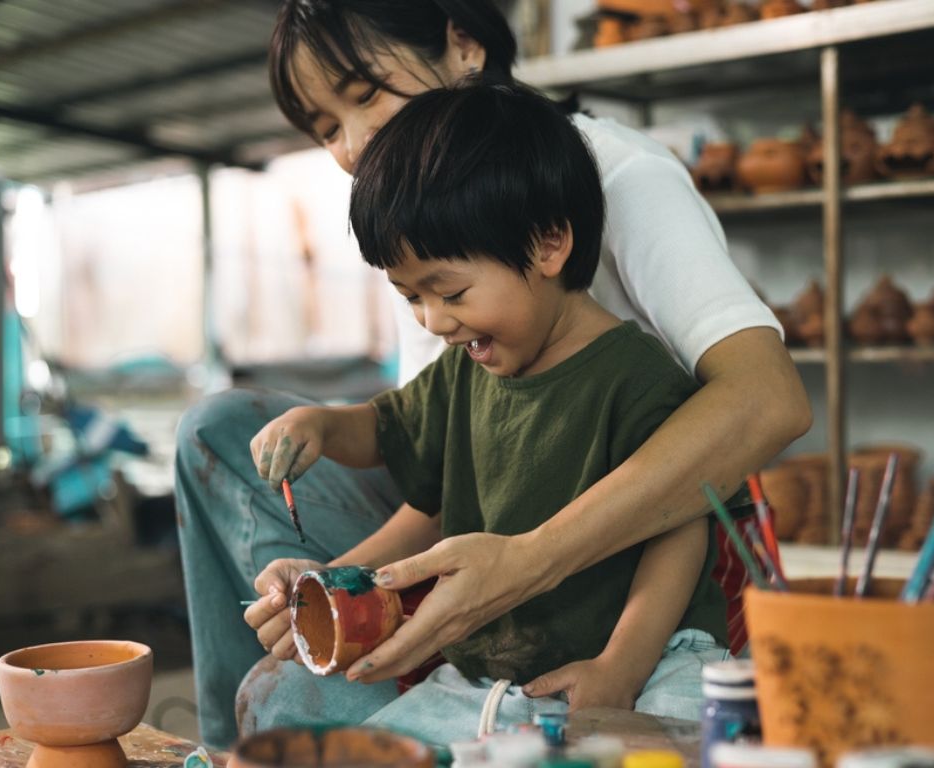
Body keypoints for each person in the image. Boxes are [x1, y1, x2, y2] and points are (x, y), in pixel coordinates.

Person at [174, 0, 811, 750]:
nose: (353, 145)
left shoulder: (615, 186)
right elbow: (448, 482)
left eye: (365, 93)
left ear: (465, 46)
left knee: (649, 732)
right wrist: (332, 578)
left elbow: (765, 402)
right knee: (217, 440)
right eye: (324, 129)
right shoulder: (429, 242)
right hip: (488, 551)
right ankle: (233, 744)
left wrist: (531, 564)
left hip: (625, 564)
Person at [240, 80, 741, 745]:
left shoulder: (635, 375)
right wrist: (325, 426)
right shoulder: (465, 373)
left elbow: (678, 530)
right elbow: (387, 431)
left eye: (448, 290)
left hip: (647, 658)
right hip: (491, 680)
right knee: (376, 753)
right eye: (409, 296)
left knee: (676, 740)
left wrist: (620, 667)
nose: (433, 320)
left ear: (547, 245)